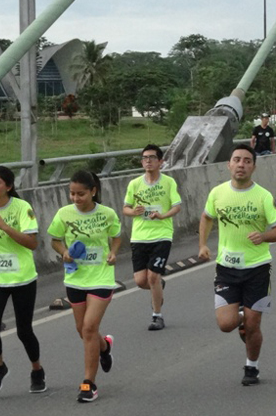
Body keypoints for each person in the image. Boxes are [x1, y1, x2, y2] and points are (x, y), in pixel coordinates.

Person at [198, 144, 276, 386]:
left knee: (253, 323)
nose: (241, 164)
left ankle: (252, 366)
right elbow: (206, 217)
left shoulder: (263, 196)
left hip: (257, 268)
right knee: (226, 324)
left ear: (253, 167)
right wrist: (203, 245)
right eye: (236, 159)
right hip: (226, 268)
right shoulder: (217, 193)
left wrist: (264, 236)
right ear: (229, 165)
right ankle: (239, 317)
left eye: (247, 161)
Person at [48, 170, 121, 402]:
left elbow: (117, 236)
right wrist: (64, 252)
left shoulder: (107, 214)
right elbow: (55, 240)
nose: (76, 198)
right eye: (72, 194)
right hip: (75, 278)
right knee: (82, 330)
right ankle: (104, 347)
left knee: (89, 327)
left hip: (101, 276)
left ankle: (89, 384)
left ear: (93, 192)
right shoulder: (64, 214)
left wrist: (113, 252)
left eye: (81, 194)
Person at [0, 166, 45, 393]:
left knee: (24, 331)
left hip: (22, 278)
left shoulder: (23, 208)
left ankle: (37, 370)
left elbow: (32, 243)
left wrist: (5, 225)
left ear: (8, 187)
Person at [122, 144, 182, 331]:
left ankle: (157, 316)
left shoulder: (168, 182)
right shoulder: (134, 184)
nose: (148, 161)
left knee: (153, 276)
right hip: (139, 237)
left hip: (161, 235)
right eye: (145, 158)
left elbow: (177, 206)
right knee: (141, 281)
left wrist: (163, 215)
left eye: (152, 157)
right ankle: (158, 287)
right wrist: (134, 211)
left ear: (160, 162)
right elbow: (125, 209)